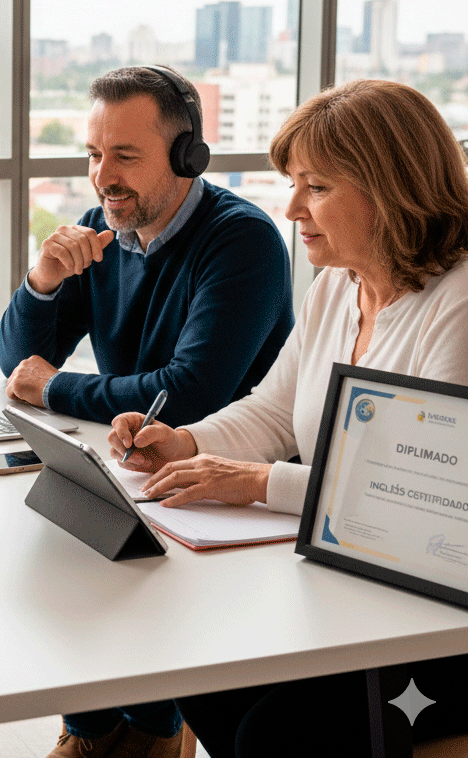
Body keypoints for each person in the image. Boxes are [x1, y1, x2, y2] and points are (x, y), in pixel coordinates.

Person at [108, 80, 468, 758]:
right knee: (198, 662)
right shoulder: (339, 282)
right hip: (354, 584)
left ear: (391, 189)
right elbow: (273, 411)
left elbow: (427, 504)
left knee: (272, 733)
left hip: (443, 615)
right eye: (293, 184)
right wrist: (184, 444)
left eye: (319, 187)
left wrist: (257, 483)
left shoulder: (459, 301)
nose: (293, 207)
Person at [0, 67, 294, 758]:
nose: (103, 177)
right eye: (95, 155)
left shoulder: (241, 241)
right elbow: (21, 366)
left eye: (125, 156)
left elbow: (187, 390)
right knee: (59, 521)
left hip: (224, 476)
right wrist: (42, 281)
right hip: (136, 452)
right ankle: (96, 731)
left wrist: (56, 390)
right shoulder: (106, 228)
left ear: (187, 155)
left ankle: (153, 734)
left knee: (99, 540)